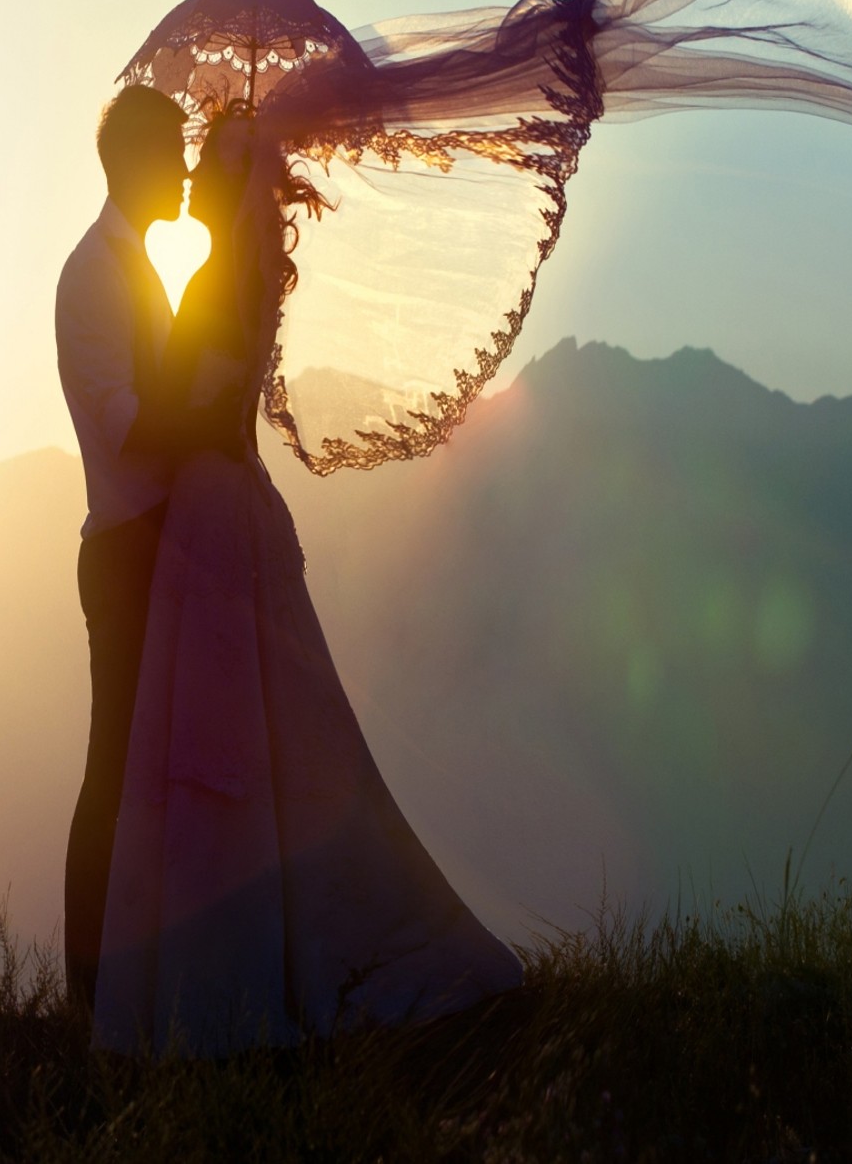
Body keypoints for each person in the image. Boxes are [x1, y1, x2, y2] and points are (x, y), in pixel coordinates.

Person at [91, 106, 524, 1054]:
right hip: (232, 508)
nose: (195, 176)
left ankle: (223, 983)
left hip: (210, 519)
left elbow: (191, 415)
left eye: (209, 165)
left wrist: (156, 402)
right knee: (272, 739)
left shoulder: (212, 282)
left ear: (234, 184)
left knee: (216, 750)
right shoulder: (241, 278)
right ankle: (278, 947)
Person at [54, 83, 197, 1013]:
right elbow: (126, 426)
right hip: (123, 552)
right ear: (136, 162)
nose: (184, 170)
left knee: (150, 768)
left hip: (159, 546)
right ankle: (89, 988)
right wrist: (206, 412)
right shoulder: (94, 276)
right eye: (174, 152)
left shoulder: (137, 266)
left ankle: (138, 978)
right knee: (115, 766)